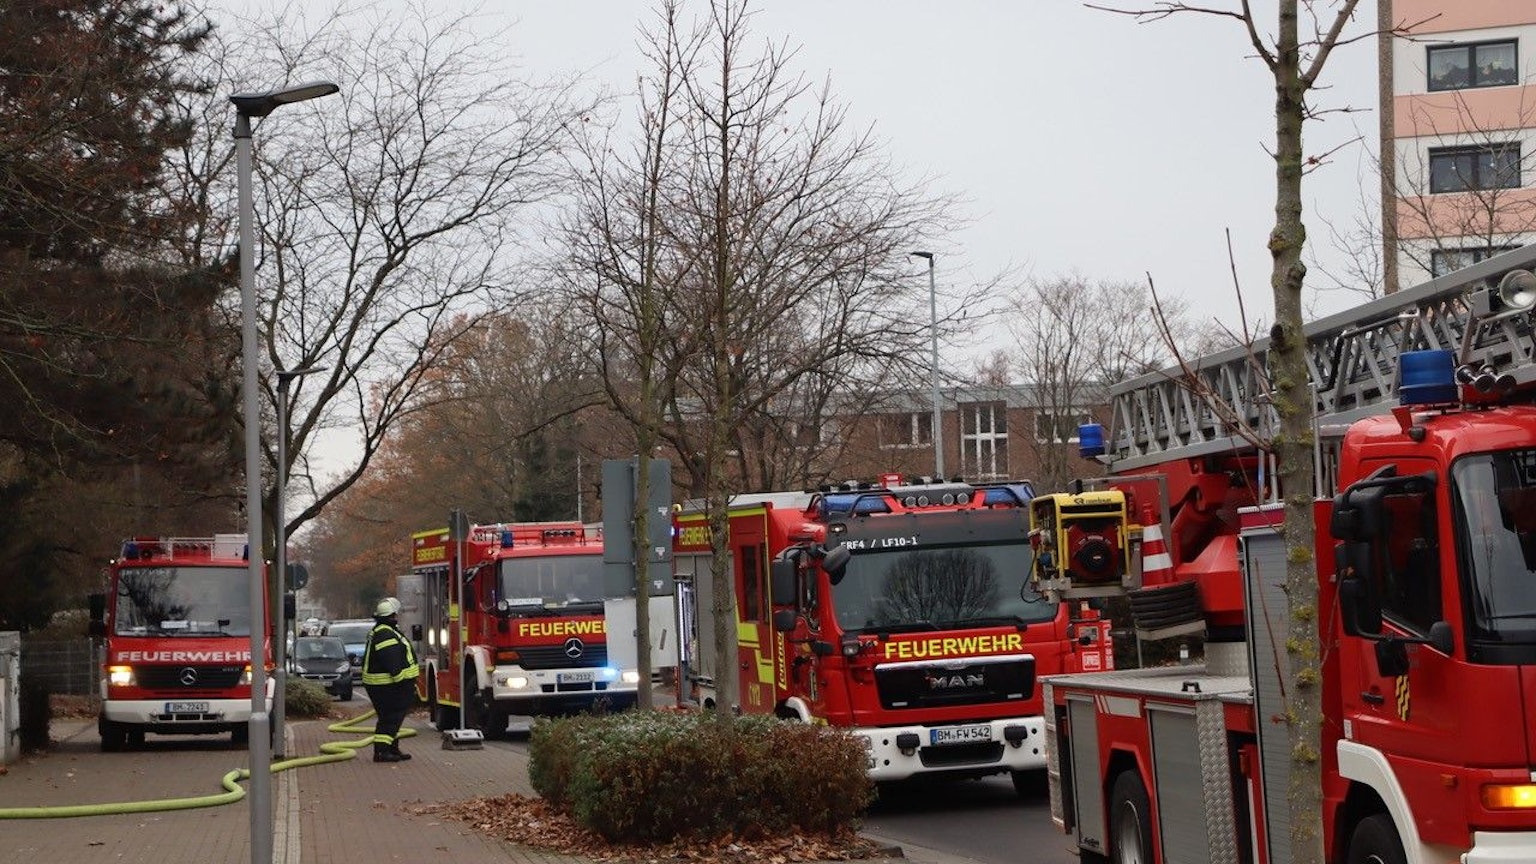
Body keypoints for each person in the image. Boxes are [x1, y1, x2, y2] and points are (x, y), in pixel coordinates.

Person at [361, 597, 419, 763]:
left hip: (385, 685)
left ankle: (391, 748)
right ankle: (382, 752)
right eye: (396, 614)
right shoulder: (385, 633)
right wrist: (401, 680)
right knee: (390, 718)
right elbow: (391, 660)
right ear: (392, 615)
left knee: (392, 718)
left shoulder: (384, 630)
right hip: (388, 685)